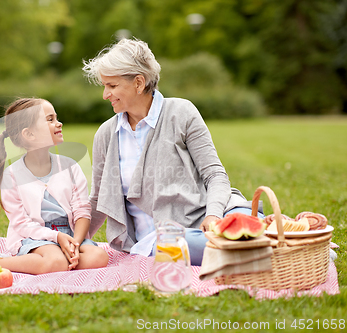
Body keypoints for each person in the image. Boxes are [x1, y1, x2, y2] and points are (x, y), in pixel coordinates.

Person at [83, 38, 262, 266]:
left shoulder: (181, 112)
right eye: (104, 86)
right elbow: (99, 198)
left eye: (112, 86)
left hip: (212, 216)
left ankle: (283, 240)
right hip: (162, 239)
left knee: (253, 229)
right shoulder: (106, 134)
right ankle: (265, 250)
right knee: (238, 245)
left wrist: (214, 215)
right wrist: (71, 240)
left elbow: (214, 174)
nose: (105, 94)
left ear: (139, 83)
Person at [0, 98, 109, 274]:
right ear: (29, 134)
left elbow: (82, 210)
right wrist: (56, 237)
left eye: (56, 118)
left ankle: (56, 260)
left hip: (70, 233)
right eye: (50, 119)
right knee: (56, 261)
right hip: (34, 236)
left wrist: (75, 243)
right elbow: (22, 224)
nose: (59, 123)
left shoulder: (71, 167)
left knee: (98, 257)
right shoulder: (11, 176)